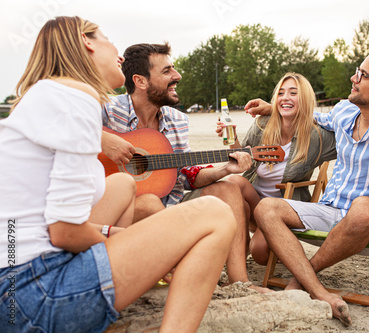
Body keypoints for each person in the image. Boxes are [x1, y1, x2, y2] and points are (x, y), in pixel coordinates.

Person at [0, 16, 236, 333]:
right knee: (216, 214)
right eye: (108, 39)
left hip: (11, 289)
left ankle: (112, 293)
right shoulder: (78, 99)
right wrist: (130, 241)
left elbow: (44, 222)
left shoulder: (43, 95)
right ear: (87, 42)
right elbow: (64, 233)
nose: (119, 55)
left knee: (123, 182)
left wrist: (120, 239)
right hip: (37, 296)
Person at [246, 42, 369, 326]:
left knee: (363, 209)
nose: (353, 78)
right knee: (266, 209)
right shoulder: (344, 111)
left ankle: (299, 280)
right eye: (357, 71)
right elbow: (312, 117)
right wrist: (273, 107)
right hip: (330, 209)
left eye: (362, 75)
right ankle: (318, 290)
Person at [101, 42, 270, 293]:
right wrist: (102, 138)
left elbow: (186, 176)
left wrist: (225, 170)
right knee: (148, 202)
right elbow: (54, 126)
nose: (177, 76)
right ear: (141, 81)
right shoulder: (106, 111)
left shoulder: (178, 120)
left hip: (171, 204)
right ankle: (184, 269)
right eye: (167, 71)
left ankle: (239, 282)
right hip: (120, 211)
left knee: (229, 189)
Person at [216, 72, 336, 265]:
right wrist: (232, 136)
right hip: (255, 201)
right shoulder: (264, 124)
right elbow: (240, 157)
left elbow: (351, 139)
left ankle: (260, 242)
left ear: (304, 99)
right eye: (281, 93)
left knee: (260, 254)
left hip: (284, 208)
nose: (285, 97)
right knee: (233, 182)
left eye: (293, 93)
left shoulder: (317, 137)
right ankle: (241, 246)